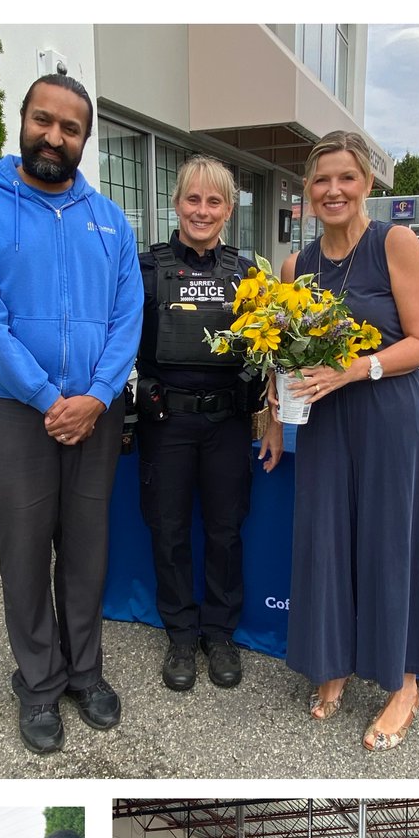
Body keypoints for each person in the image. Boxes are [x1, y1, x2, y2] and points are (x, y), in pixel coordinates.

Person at [0, 73, 144, 754]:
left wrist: (98, 395)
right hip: (14, 413)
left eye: (70, 128)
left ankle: (85, 672)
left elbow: (127, 316)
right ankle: (39, 682)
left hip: (95, 413)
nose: (54, 136)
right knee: (24, 555)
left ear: (85, 139)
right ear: (22, 120)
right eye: (43, 120)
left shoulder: (109, 221)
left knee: (86, 552)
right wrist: (47, 398)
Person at [278, 130, 419, 750]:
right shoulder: (297, 266)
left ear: (367, 183)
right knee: (327, 540)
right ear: (307, 189)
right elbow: (288, 352)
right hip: (324, 420)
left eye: (346, 177)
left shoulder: (394, 243)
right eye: (321, 179)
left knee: (390, 542)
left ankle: (403, 682)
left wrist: (355, 368)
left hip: (388, 414)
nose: (333, 190)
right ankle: (334, 661)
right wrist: (277, 401)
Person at [136, 156, 283, 691]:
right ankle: (180, 634)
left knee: (225, 530)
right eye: (193, 199)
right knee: (168, 530)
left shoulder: (249, 276)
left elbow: (271, 353)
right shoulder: (145, 269)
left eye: (214, 201)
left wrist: (272, 418)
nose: (202, 210)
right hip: (166, 422)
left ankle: (218, 634)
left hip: (227, 422)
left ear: (228, 211)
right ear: (177, 204)